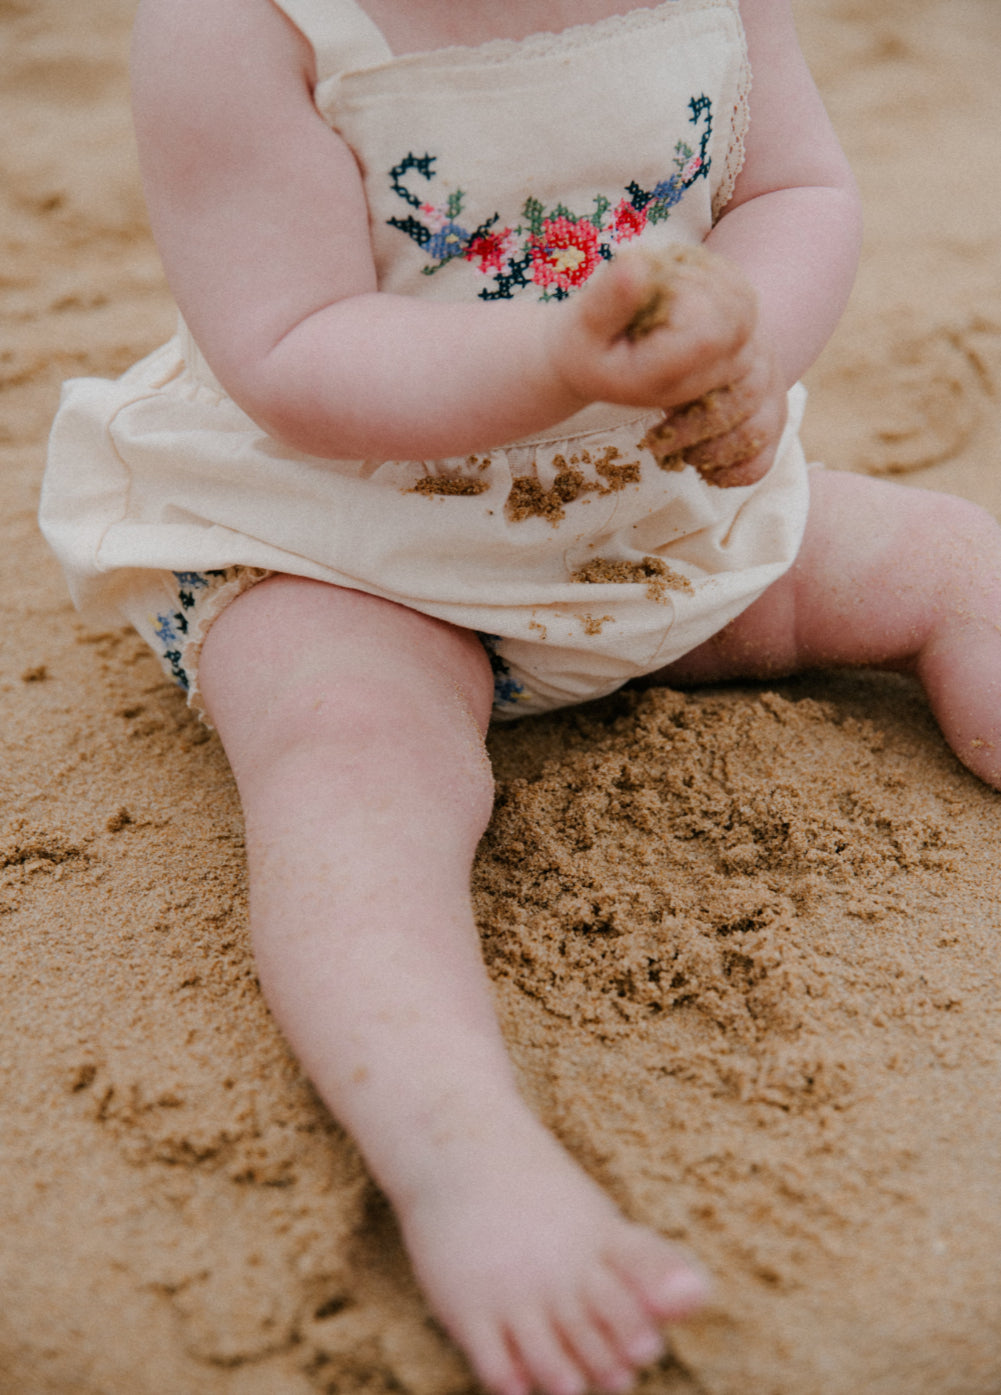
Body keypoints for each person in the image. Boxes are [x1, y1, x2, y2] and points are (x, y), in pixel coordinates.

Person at [38, 0, 1001, 1391]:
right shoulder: (241, 23)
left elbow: (797, 189)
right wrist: (547, 360)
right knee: (350, 772)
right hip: (350, 546)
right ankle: (461, 1159)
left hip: (645, 512)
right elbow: (293, 345)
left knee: (955, 560)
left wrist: (752, 352)